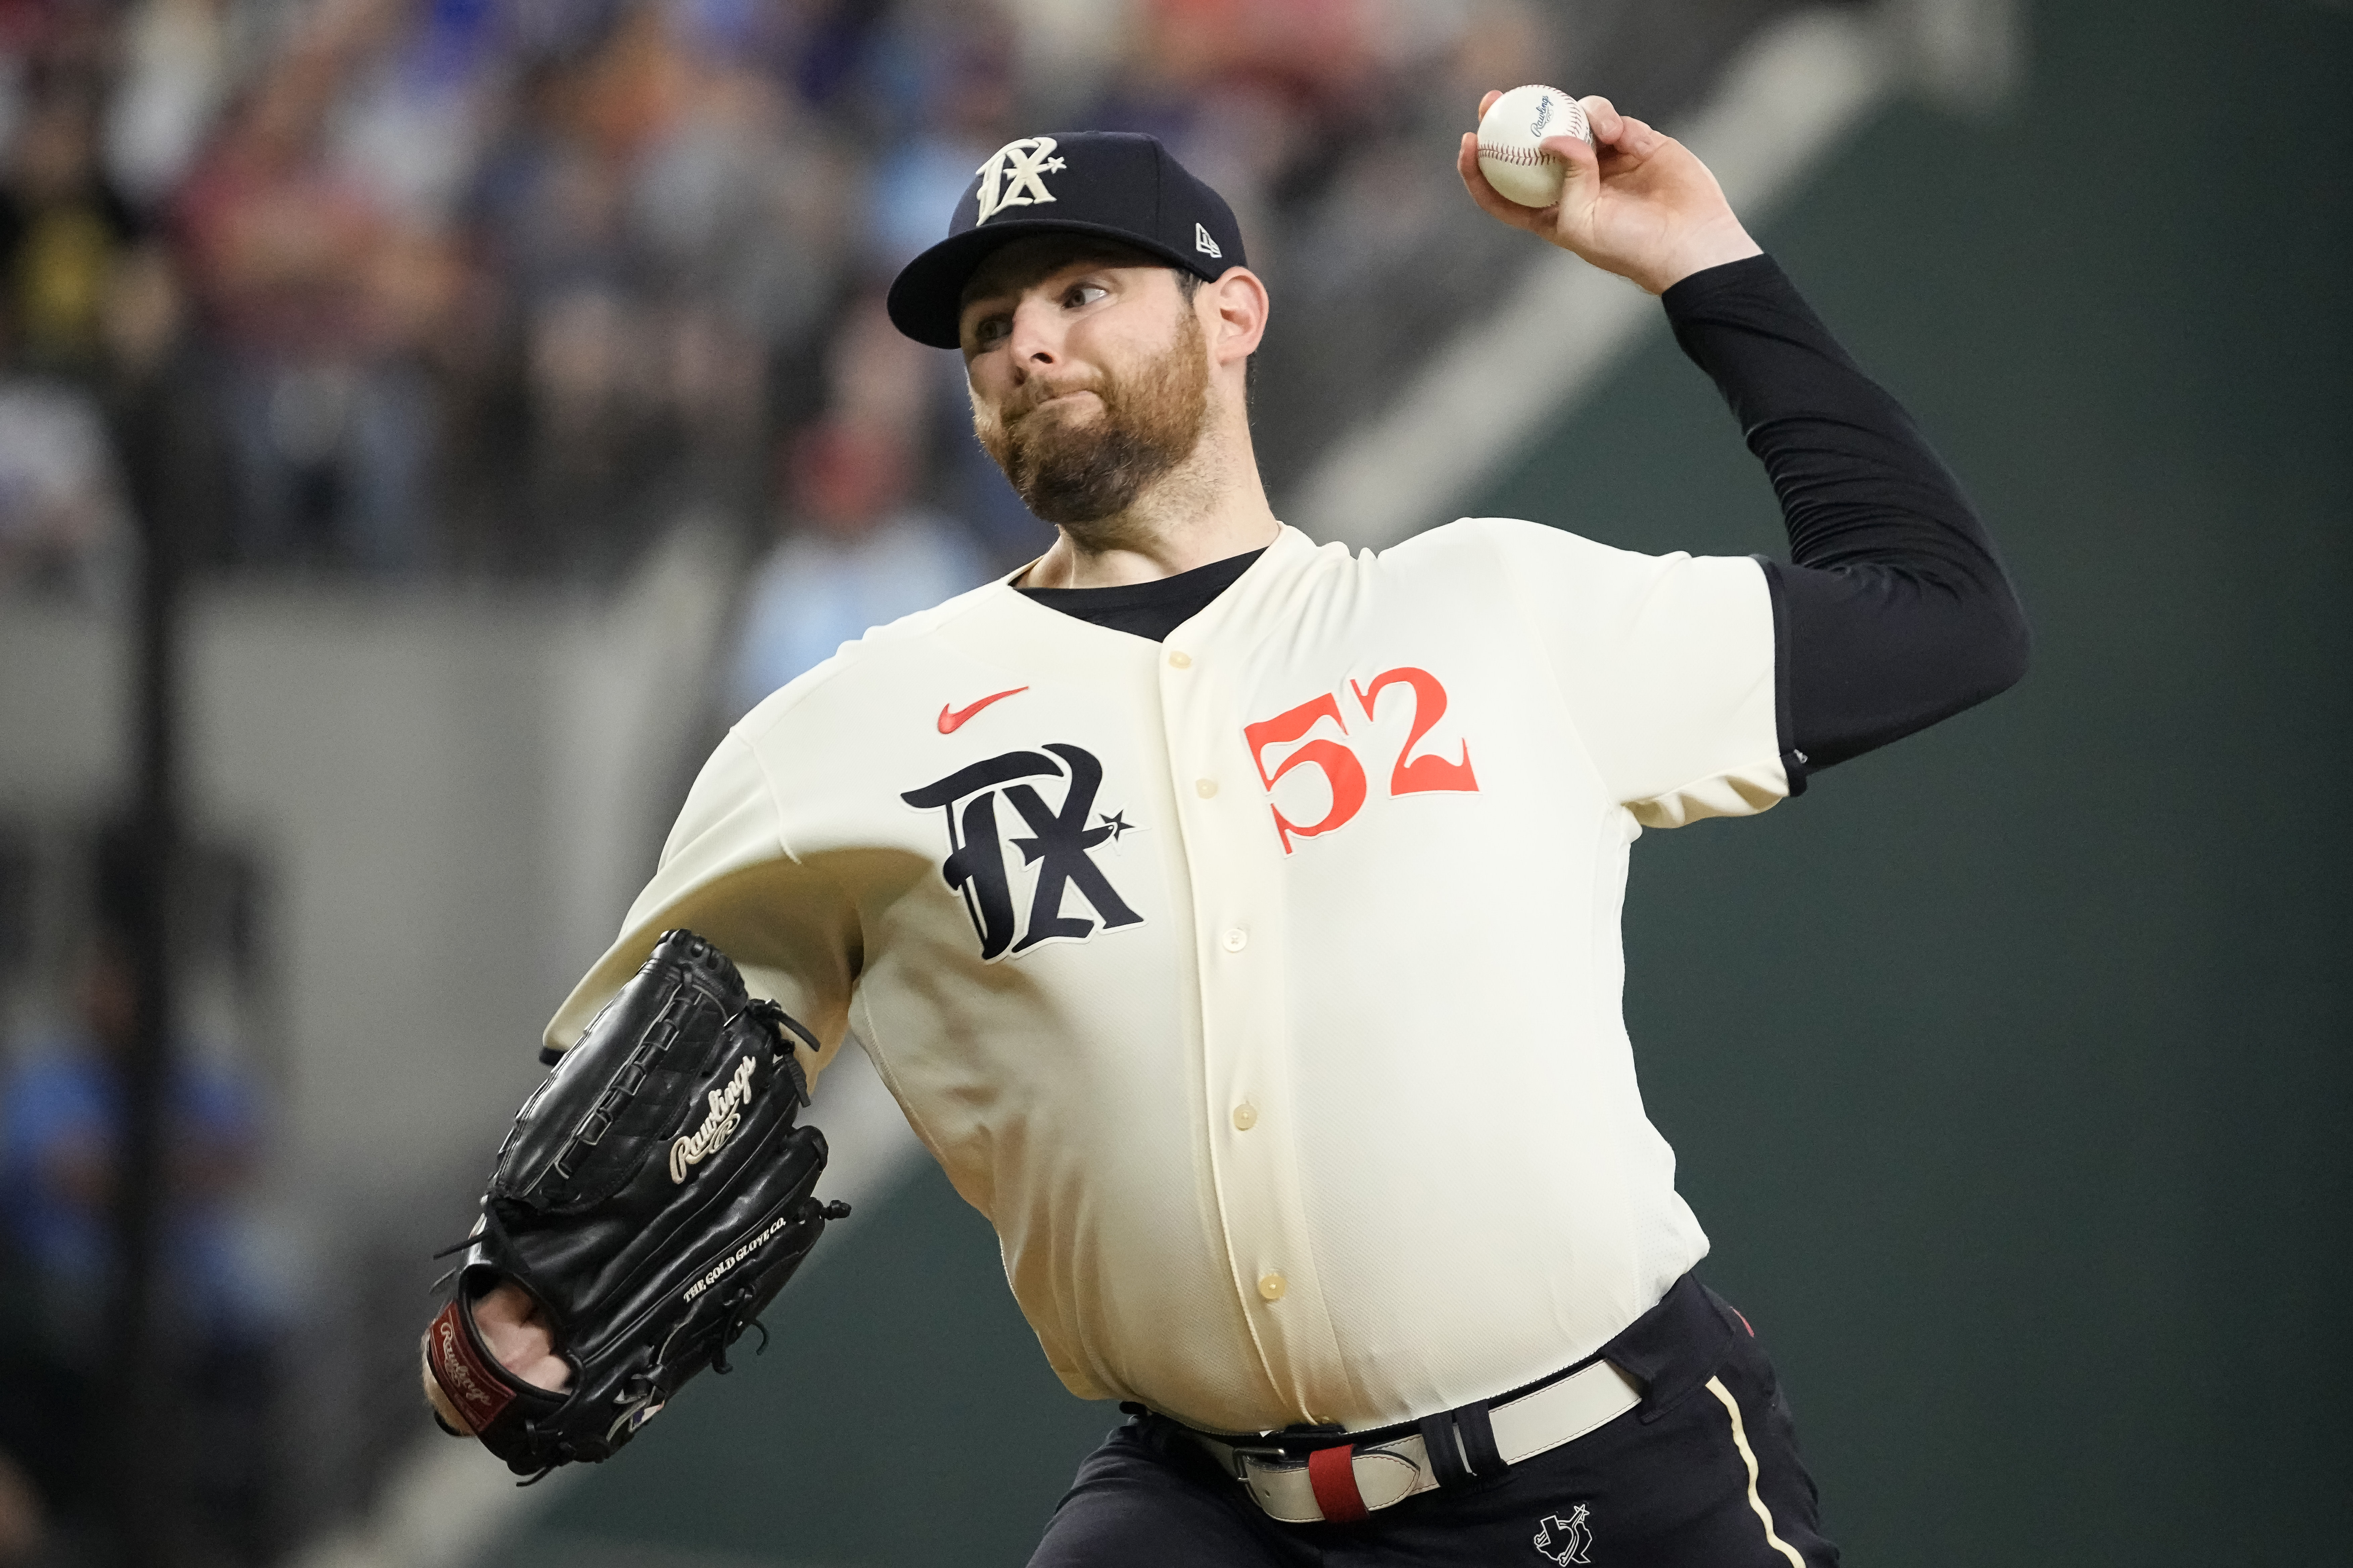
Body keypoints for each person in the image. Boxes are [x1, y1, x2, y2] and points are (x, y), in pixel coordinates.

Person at [438, 103, 2026, 1566]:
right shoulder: (842, 737)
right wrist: (508, 1309)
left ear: (1231, 314)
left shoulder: (1490, 608)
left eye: (1080, 293)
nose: (1025, 345)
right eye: (987, 329)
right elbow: (631, 1095)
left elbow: (1941, 614)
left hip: (1607, 1466)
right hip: (1204, 1508)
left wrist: (1703, 264)